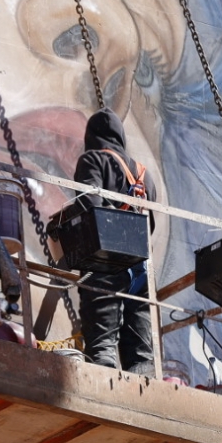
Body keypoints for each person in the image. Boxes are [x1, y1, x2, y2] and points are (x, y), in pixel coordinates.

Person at [72, 108, 156, 375]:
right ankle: (145, 402)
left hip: (105, 262)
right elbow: (149, 224)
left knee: (101, 347)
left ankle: (103, 394)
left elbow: (88, 205)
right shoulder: (145, 175)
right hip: (141, 268)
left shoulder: (93, 160)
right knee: (142, 356)